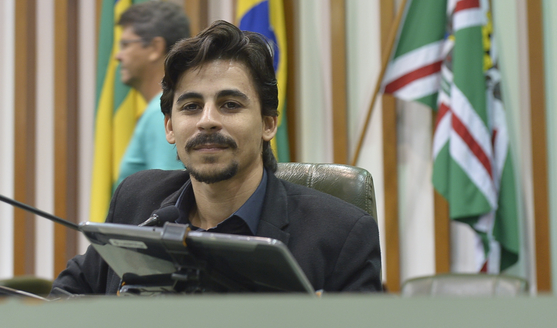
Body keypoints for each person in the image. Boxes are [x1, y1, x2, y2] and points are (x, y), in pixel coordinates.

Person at [53, 20, 382, 294]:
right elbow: (65, 299)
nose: (207, 120)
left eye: (230, 105)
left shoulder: (340, 234)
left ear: (268, 124)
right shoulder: (137, 201)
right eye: (191, 106)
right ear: (170, 127)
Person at [114, 0, 190, 185]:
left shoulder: (160, 113)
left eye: (125, 45)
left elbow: (169, 192)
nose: (118, 56)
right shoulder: (166, 108)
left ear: (155, 48)